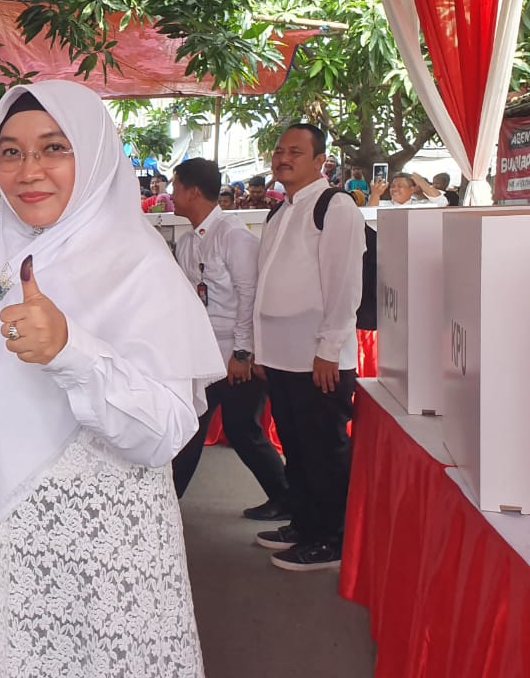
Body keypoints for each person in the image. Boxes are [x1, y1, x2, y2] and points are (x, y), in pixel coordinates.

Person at [0, 81, 223, 676]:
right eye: (12, 151)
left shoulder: (138, 267)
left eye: (54, 147)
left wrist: (72, 351)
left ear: (94, 153)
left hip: (105, 561)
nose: (30, 171)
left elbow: (164, 433)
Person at [253, 123, 365, 572]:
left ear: (321, 160)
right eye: (279, 150)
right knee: (296, 449)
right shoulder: (279, 212)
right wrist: (262, 352)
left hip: (318, 359)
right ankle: (303, 523)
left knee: (323, 451)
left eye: (295, 151)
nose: (283, 158)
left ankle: (329, 539)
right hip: (281, 358)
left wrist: (330, 348)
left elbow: (343, 283)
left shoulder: (333, 206)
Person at [168, 158, 290, 519]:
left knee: (241, 429)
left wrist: (243, 351)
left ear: (192, 191)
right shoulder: (190, 242)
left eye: (175, 188)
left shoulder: (232, 235)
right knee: (193, 427)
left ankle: (285, 496)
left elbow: (250, 296)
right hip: (204, 352)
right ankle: (167, 505)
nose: (171, 196)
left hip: (237, 355)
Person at [368, 172, 447, 208]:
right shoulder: (383, 205)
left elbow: (441, 202)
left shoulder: (420, 206)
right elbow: (370, 214)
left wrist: (422, 182)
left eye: (400, 186)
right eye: (392, 186)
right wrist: (375, 194)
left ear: (412, 189)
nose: (394, 189)